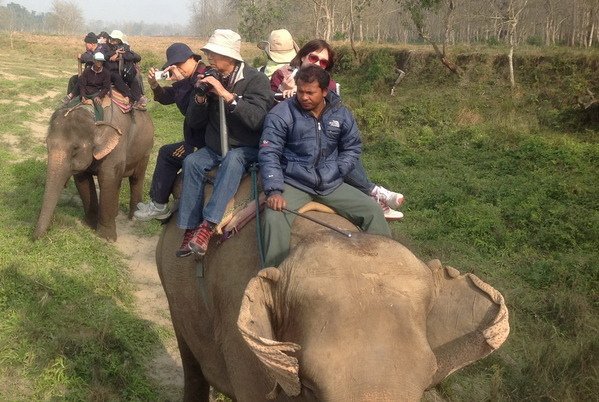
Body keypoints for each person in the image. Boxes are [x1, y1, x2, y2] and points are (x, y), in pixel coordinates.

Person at [259, 65, 391, 267]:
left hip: (331, 183)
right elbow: (269, 153)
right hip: (294, 182)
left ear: (324, 91)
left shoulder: (342, 114)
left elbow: (352, 147)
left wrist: (338, 170)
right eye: (300, 91)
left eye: (310, 93)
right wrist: (274, 190)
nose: (304, 97)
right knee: (273, 217)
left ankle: (386, 266)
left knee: (373, 211)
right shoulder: (281, 114)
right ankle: (274, 275)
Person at [271, 39, 405, 220]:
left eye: (323, 62)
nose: (317, 63)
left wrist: (337, 167)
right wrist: (284, 91)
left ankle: (371, 192)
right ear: (303, 56)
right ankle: (373, 191)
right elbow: (271, 111)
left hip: (323, 141)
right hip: (293, 143)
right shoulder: (282, 75)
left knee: (340, 149)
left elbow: (335, 117)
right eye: (313, 58)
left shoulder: (329, 85)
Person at [176, 29, 273, 257]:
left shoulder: (256, 80)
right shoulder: (210, 77)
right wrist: (200, 98)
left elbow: (257, 119)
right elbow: (194, 122)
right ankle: (190, 228)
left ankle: (208, 226)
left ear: (230, 57)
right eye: (209, 53)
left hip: (245, 147)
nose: (209, 58)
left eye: (214, 54)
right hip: (215, 146)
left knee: (233, 158)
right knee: (191, 162)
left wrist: (227, 95)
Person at [134, 43, 206, 221]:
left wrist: (181, 82)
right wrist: (154, 86)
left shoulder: (201, 78)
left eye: (180, 64)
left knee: (167, 153)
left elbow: (190, 111)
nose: (177, 69)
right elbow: (168, 97)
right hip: (198, 138)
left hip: (204, 142)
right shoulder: (190, 76)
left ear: (193, 58)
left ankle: (159, 205)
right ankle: (158, 203)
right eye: (174, 66)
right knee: (167, 151)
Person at [104, 30, 146, 109]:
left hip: (122, 71)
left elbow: (137, 57)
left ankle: (138, 99)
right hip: (110, 71)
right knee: (116, 77)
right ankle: (129, 96)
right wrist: (113, 54)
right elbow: (104, 56)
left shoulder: (124, 47)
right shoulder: (105, 47)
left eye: (115, 39)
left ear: (119, 40)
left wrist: (121, 56)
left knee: (133, 78)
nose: (112, 41)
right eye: (112, 39)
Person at [62, 32, 99, 105]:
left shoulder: (99, 50)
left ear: (92, 44)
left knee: (82, 79)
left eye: (86, 44)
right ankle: (72, 99)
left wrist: (82, 57)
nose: (85, 45)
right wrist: (82, 57)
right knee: (73, 79)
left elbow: (92, 58)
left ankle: (72, 95)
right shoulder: (90, 51)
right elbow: (85, 57)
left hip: (98, 75)